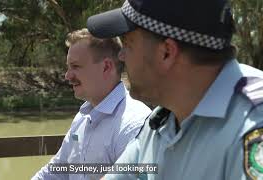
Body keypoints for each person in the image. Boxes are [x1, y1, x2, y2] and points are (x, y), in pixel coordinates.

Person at [86, 0, 263, 179]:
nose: (121, 55)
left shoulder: (255, 123)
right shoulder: (163, 120)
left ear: (167, 52)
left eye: (127, 43)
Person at [31, 28, 151, 180]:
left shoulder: (134, 125)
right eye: (68, 67)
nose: (68, 76)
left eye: (75, 66)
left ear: (106, 67)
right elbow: (56, 171)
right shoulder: (82, 118)